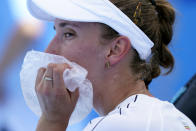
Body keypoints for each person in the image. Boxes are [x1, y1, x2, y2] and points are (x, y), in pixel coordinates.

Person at [26, 0, 196, 130]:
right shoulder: (152, 117)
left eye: (69, 34)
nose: (49, 51)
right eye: (56, 31)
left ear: (115, 49)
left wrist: (53, 120)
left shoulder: (122, 125)